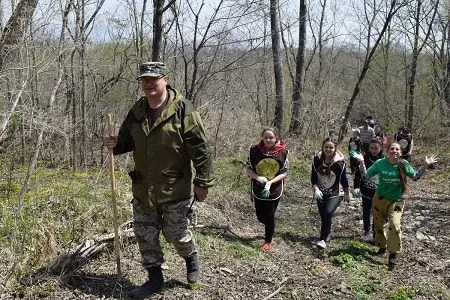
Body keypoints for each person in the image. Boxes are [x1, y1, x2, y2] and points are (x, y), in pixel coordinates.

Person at [103, 61, 214, 298]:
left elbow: (201, 148)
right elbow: (126, 141)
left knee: (176, 234)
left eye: (154, 79)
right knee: (145, 235)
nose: (149, 84)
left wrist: (202, 181)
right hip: (144, 188)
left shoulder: (183, 109)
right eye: (145, 80)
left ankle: (190, 257)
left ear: (166, 79)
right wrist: (115, 144)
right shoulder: (137, 111)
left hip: (175, 187)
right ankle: (155, 279)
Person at [353, 142, 437, 268]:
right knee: (379, 225)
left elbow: (415, 177)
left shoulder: (403, 164)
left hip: (397, 200)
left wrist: (425, 165)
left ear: (401, 152)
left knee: (395, 224)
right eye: (392, 149)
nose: (394, 151)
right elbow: (366, 176)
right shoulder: (380, 163)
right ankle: (382, 247)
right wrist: (361, 162)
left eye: (397, 149)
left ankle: (393, 254)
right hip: (379, 199)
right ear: (387, 151)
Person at [246, 127, 289, 251]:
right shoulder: (254, 150)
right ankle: (270, 226)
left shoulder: (283, 152)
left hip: (274, 188)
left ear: (276, 138)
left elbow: (284, 172)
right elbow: (248, 168)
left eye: (271, 137)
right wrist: (258, 178)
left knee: (269, 215)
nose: (268, 140)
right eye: (266, 137)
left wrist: (270, 182)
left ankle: (268, 240)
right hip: (258, 186)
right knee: (260, 216)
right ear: (262, 138)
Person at [311, 137, 350, 249]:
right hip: (321, 192)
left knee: (328, 212)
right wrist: (316, 189)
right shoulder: (317, 160)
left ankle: (322, 239)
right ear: (323, 148)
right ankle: (327, 233)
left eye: (331, 147)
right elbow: (313, 178)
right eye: (326, 147)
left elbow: (343, 179)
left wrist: (347, 193)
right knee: (323, 215)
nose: (328, 149)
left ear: (335, 148)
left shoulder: (339, 162)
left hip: (336, 193)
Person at [352, 138, 383, 242]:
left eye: (376, 148)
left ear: (381, 148)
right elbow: (357, 174)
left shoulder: (384, 160)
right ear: (368, 148)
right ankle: (367, 231)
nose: (374, 150)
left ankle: (375, 233)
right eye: (371, 148)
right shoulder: (363, 158)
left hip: (379, 192)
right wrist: (356, 187)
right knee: (366, 211)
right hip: (366, 190)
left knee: (377, 213)